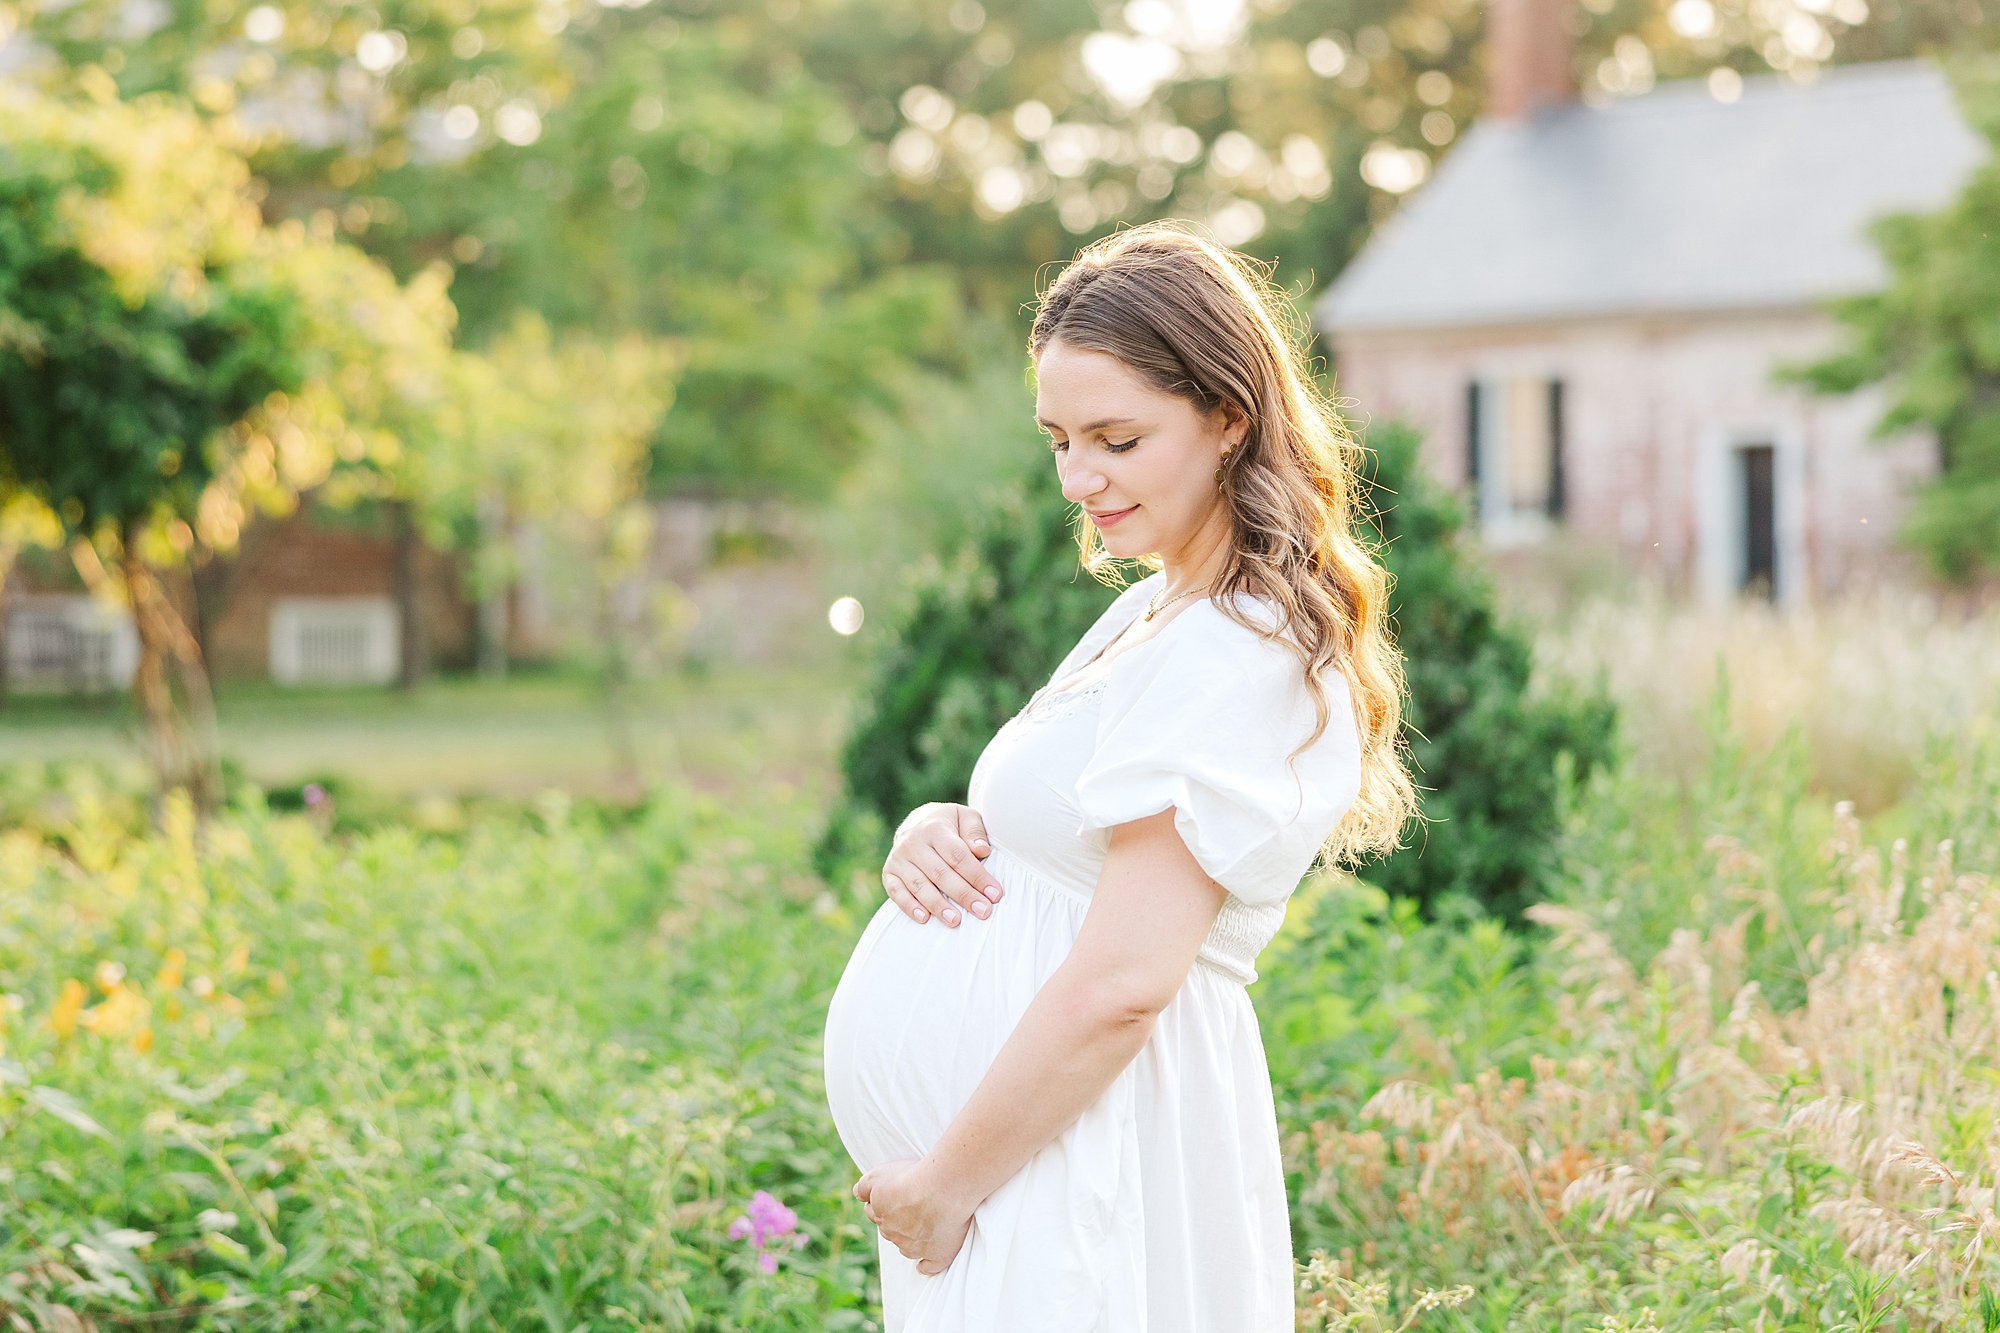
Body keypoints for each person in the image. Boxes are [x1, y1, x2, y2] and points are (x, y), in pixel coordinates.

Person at [821, 219, 1421, 1332]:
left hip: (1086, 1154)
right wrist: (934, 823)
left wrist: (948, 1179)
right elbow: (1055, 835)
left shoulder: (1237, 646)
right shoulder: (1151, 612)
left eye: (1116, 438)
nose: (1078, 477)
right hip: (1027, 1159)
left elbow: (1124, 982)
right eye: (1058, 440)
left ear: (1227, 418)